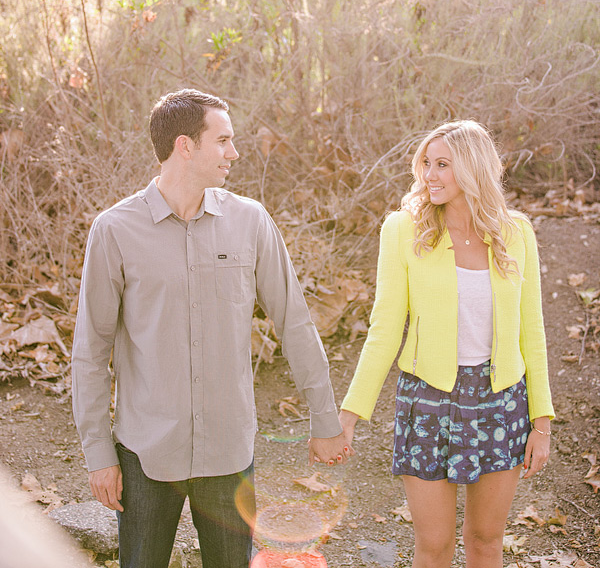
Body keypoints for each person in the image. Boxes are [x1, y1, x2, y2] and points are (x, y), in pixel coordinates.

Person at [71, 89, 352, 568]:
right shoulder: (114, 230)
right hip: (145, 452)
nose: (234, 152)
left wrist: (325, 419)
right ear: (185, 146)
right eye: (222, 140)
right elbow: (91, 352)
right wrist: (99, 452)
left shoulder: (250, 222)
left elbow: (296, 324)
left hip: (229, 451)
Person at [339, 120, 553, 568]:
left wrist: (542, 423)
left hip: (501, 402)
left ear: (474, 169)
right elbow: (383, 329)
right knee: (434, 546)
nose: (429, 175)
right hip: (427, 402)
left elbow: (531, 332)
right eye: (426, 164)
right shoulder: (403, 230)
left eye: (442, 165)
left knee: (485, 541)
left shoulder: (516, 234)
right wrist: (348, 415)